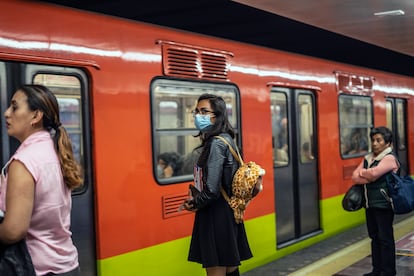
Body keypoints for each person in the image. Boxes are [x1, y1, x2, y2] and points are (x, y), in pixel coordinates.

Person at [0, 85, 82, 275]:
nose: (6, 113)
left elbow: (14, 230)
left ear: (36, 116)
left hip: (37, 268)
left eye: (14, 107)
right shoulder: (54, 152)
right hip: (68, 265)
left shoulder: (24, 162)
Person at [183, 94, 252, 276]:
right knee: (230, 270)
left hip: (215, 215)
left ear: (218, 115)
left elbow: (212, 190)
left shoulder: (215, 144)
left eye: (204, 111)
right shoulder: (227, 139)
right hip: (228, 213)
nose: (199, 115)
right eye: (197, 111)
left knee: (217, 270)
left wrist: (193, 203)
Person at [351, 126, 399, 276]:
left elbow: (374, 174)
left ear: (387, 142)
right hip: (369, 204)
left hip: (384, 205)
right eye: (373, 140)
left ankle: (388, 271)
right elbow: (354, 177)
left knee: (385, 240)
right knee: (374, 238)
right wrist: (367, 174)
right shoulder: (368, 158)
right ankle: (376, 269)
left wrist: (364, 173)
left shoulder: (389, 158)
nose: (375, 143)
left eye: (379, 140)